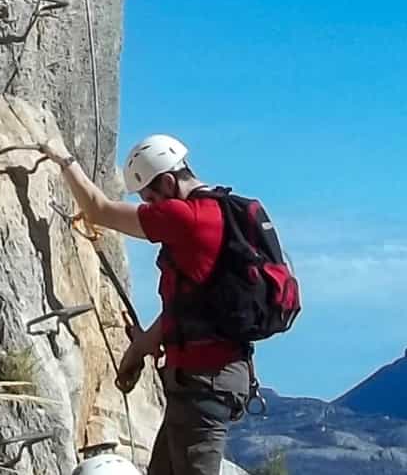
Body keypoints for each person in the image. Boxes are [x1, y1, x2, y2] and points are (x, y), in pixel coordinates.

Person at [39, 135, 252, 475]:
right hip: (207, 383)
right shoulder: (223, 213)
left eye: (152, 199)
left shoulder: (186, 218)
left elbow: (99, 210)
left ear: (168, 182)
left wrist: (62, 157)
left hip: (203, 385)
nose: (152, 209)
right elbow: (187, 309)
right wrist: (138, 351)